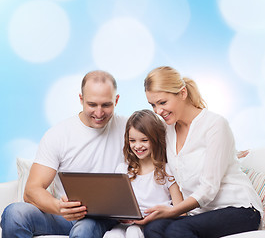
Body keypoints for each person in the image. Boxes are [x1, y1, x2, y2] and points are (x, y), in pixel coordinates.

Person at [134, 66, 263, 238]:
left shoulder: (215, 124)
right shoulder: (167, 130)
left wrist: (172, 211)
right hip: (200, 215)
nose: (157, 111)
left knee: (177, 229)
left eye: (162, 102)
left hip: (240, 209)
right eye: (153, 105)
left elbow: (208, 188)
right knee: (154, 228)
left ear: (182, 93)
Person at [1, 70, 128, 238]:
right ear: (81, 99)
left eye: (106, 105)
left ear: (116, 100)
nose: (99, 113)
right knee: (14, 214)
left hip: (105, 218)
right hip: (64, 217)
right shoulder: (59, 134)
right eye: (92, 105)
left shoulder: (130, 129)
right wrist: (59, 207)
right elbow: (31, 190)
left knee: (84, 229)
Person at [104, 109, 184, 238]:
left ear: (156, 139)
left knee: (134, 232)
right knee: (112, 235)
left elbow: (181, 211)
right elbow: (117, 205)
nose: (137, 146)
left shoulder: (167, 170)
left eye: (144, 140)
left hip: (154, 224)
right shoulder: (123, 170)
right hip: (127, 223)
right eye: (132, 140)